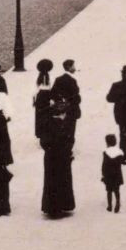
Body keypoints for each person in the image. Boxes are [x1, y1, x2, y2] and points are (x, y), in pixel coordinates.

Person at [35, 79, 75, 217]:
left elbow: (43, 142)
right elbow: (70, 140)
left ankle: (52, 207)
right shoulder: (65, 126)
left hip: (51, 157)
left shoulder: (48, 123)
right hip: (61, 157)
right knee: (63, 181)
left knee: (51, 182)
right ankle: (63, 205)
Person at [52, 59, 82, 143]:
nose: (75, 68)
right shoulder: (72, 80)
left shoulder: (58, 79)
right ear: (69, 67)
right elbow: (76, 97)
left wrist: (61, 102)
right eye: (73, 66)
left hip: (62, 109)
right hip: (71, 109)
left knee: (62, 130)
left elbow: (53, 93)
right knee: (71, 131)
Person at [101, 134, 126, 213]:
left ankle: (109, 206)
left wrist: (103, 174)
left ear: (107, 143)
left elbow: (104, 165)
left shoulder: (106, 153)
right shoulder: (119, 152)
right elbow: (123, 161)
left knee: (109, 190)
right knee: (116, 190)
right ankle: (118, 202)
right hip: (117, 174)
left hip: (109, 175)